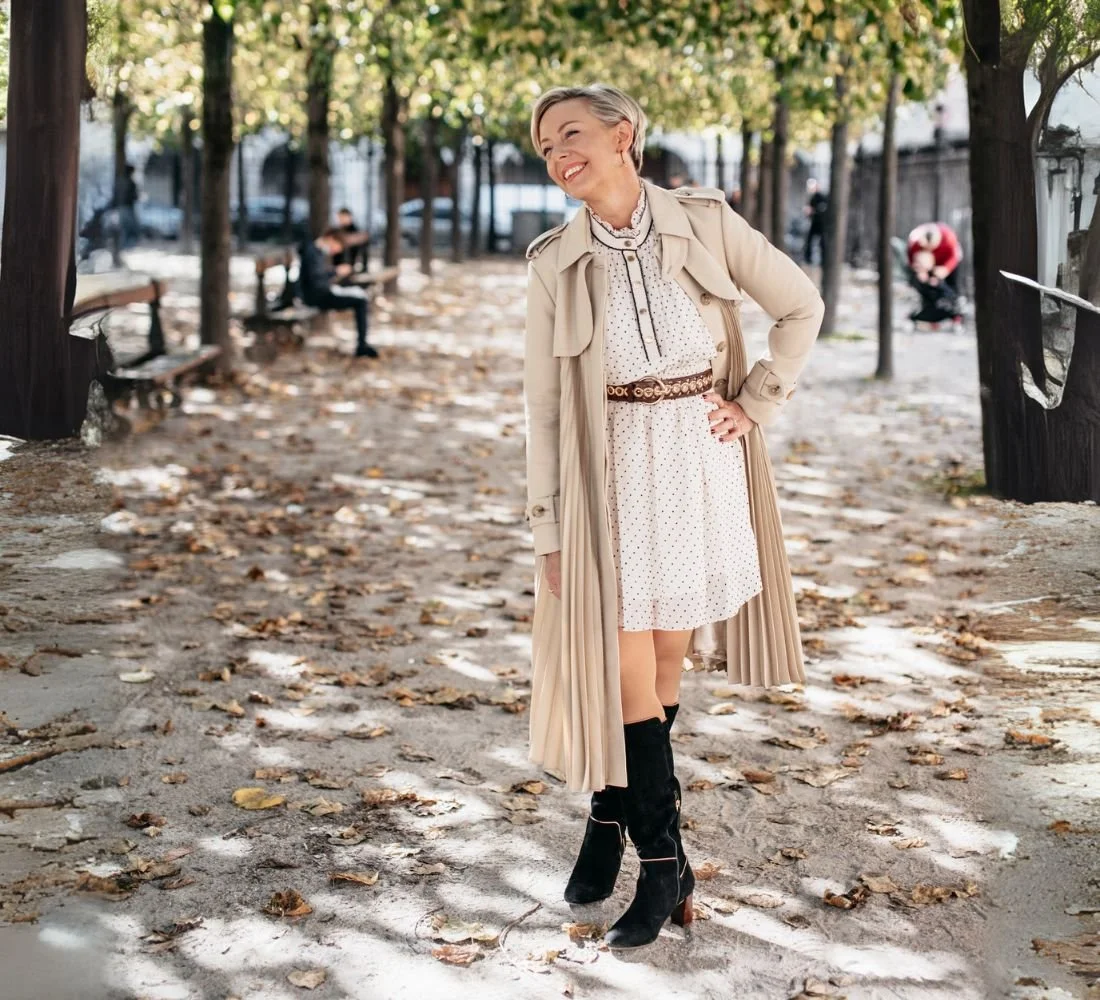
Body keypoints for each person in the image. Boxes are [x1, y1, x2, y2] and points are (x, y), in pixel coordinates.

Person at [527, 85, 823, 949]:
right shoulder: (553, 262)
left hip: (697, 460)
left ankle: (607, 820)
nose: (558, 155)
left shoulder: (705, 223)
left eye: (571, 135)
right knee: (625, 663)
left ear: (623, 135)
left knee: (660, 666)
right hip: (609, 473)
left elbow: (799, 305)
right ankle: (665, 864)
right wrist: (549, 529)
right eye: (545, 147)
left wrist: (758, 401)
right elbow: (543, 410)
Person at [298, 228, 377, 358]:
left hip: (320, 293)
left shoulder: (316, 251)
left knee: (360, 296)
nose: (335, 251)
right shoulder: (312, 252)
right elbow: (316, 280)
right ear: (330, 238)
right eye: (336, 247)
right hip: (316, 297)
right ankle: (362, 345)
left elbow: (318, 277)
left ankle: (362, 344)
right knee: (360, 301)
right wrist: (336, 271)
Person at [906, 222, 963, 324]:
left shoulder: (948, 238)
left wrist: (946, 269)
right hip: (925, 265)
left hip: (945, 264)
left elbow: (954, 257)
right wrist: (920, 270)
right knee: (924, 287)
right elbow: (911, 258)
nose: (930, 250)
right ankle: (927, 312)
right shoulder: (915, 239)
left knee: (951, 287)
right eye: (926, 248)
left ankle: (955, 313)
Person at [332, 207, 366, 274]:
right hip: (339, 268)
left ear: (349, 217)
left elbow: (362, 253)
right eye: (339, 218)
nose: (340, 220)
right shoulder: (338, 231)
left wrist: (360, 268)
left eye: (342, 217)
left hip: (352, 268)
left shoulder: (356, 233)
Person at [803, 178, 827, 265]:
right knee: (810, 240)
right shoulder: (812, 197)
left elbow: (822, 209)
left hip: (821, 224)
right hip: (814, 223)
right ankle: (808, 259)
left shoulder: (821, 196)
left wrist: (813, 211)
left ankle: (824, 260)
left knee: (822, 242)